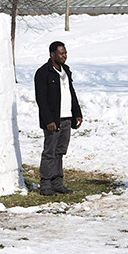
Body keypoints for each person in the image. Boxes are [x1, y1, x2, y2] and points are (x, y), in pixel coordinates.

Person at [34, 41, 83, 196]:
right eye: (61, 53)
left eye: (65, 53)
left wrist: (77, 113)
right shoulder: (43, 73)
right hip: (53, 120)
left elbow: (71, 92)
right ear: (52, 54)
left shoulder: (66, 70)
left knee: (60, 151)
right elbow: (41, 99)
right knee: (50, 152)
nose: (64, 56)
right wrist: (49, 120)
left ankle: (57, 183)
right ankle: (45, 185)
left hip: (66, 117)